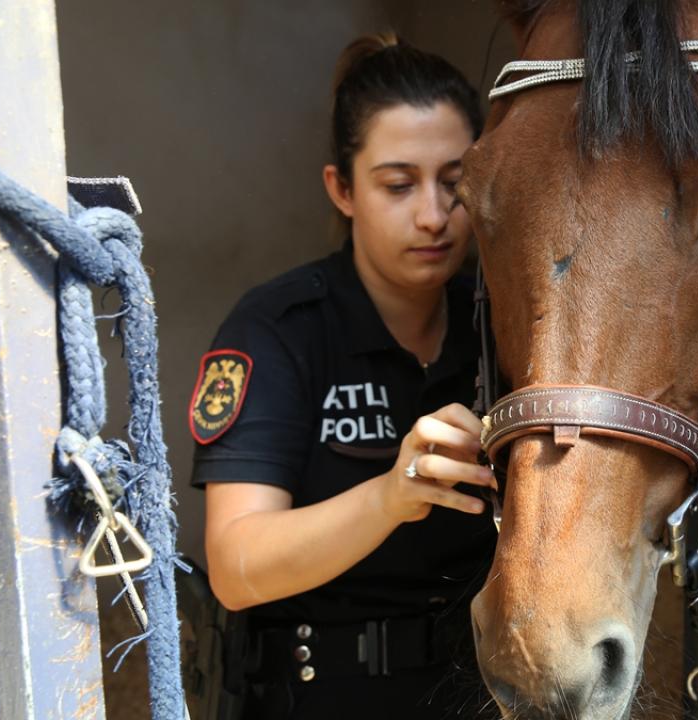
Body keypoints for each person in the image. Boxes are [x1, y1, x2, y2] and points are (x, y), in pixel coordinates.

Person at [187, 34, 495, 719]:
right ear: (342, 189)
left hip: (478, 694)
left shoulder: (501, 321)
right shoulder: (277, 330)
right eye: (397, 184)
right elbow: (236, 569)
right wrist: (390, 495)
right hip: (317, 695)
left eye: (455, 181)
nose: (434, 215)